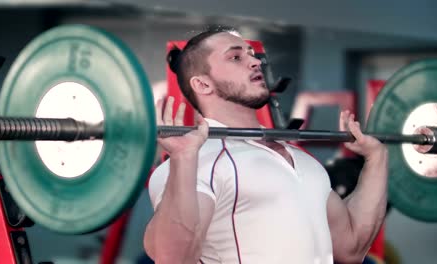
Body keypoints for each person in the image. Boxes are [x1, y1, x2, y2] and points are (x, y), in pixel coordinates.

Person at [143, 27, 388, 264]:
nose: (255, 62)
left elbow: (351, 247)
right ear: (203, 84)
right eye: (236, 57)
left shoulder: (301, 160)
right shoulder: (196, 162)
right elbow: (174, 258)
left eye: (252, 54)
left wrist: (377, 159)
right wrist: (184, 160)